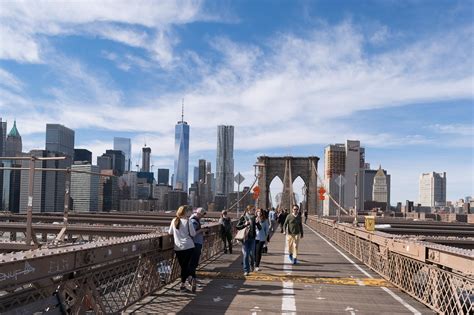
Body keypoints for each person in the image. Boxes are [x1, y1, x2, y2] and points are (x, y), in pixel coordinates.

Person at [168, 205, 196, 292]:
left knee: (183, 266)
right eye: (188, 211)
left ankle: (183, 285)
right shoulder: (188, 222)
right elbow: (193, 234)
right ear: (185, 212)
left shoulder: (174, 221)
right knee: (185, 266)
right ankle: (189, 280)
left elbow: (170, 232)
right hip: (189, 246)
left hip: (178, 247)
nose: (189, 213)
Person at [236, 205, 260, 276]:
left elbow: (260, 228)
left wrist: (257, 223)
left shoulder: (255, 218)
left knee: (252, 255)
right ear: (248, 210)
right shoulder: (243, 217)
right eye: (253, 209)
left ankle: (252, 264)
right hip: (245, 239)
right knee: (246, 255)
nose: (254, 211)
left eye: (254, 209)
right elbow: (237, 227)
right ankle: (246, 270)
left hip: (252, 239)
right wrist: (244, 224)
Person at [188, 207, 207, 293]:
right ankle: (192, 279)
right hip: (195, 244)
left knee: (193, 263)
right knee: (193, 262)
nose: (202, 217)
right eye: (202, 215)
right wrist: (202, 230)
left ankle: (192, 279)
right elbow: (193, 233)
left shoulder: (194, 220)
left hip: (195, 244)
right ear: (199, 213)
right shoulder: (194, 221)